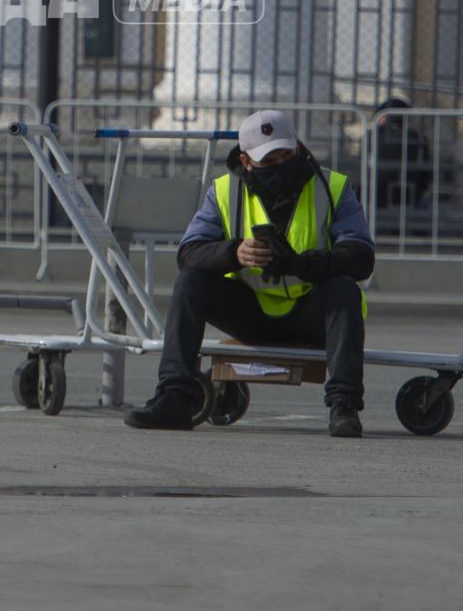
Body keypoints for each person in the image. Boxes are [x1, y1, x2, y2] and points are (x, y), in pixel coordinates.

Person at [126, 109, 377, 437]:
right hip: (249, 312)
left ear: (298, 148)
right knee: (191, 282)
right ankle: (174, 398)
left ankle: (343, 405)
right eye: (268, 160)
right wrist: (235, 253)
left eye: (286, 155)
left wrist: (301, 264)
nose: (280, 165)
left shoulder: (334, 186)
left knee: (344, 289)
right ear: (246, 161)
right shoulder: (224, 192)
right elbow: (189, 254)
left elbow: (360, 257)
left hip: (310, 314)